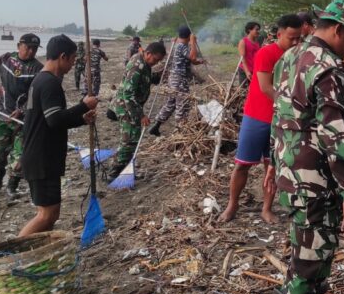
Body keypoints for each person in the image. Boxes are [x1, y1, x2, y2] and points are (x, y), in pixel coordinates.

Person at [263, 0, 344, 294]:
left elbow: (280, 117)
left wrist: (275, 165)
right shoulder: (328, 68)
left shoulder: (291, 56)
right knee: (308, 258)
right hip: (314, 180)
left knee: (307, 251)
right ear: (338, 30)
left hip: (293, 172)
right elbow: (335, 136)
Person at [219, 14, 302, 224]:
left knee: (271, 166)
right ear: (279, 34)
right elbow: (266, 87)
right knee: (242, 164)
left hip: (280, 120)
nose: (295, 42)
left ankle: (267, 208)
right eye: (291, 38)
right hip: (257, 116)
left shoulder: (299, 56)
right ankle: (232, 204)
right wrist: (291, 107)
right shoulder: (267, 53)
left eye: (298, 38)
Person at [17, 35, 98, 237]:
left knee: (49, 214)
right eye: (72, 59)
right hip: (41, 158)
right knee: (46, 215)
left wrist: (82, 118)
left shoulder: (41, 80)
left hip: (41, 156)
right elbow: (54, 120)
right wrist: (83, 105)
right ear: (63, 57)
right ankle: (13, 253)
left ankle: (36, 251)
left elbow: (51, 119)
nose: (72, 65)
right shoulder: (49, 83)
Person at [0, 33, 43, 195]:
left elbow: (37, 94)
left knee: (20, 157)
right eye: (28, 48)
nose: (31, 51)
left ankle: (12, 185)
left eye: (34, 49)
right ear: (19, 46)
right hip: (1, 115)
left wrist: (23, 110)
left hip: (23, 120)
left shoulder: (38, 69)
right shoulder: (5, 60)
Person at [108, 41, 167, 181]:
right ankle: (114, 173)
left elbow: (143, 80)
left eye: (159, 61)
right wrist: (141, 115)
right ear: (147, 53)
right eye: (155, 59)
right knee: (129, 140)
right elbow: (128, 94)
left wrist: (155, 79)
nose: (156, 62)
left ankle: (126, 169)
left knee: (133, 139)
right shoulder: (137, 65)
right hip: (126, 107)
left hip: (133, 106)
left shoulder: (145, 63)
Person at [149, 25, 204, 133]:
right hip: (179, 80)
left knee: (171, 103)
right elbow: (192, 57)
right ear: (188, 36)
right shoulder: (182, 46)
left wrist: (200, 61)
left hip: (173, 78)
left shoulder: (178, 45)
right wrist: (193, 42)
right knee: (182, 105)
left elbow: (192, 60)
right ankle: (180, 130)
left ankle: (156, 126)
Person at [236, 21, 262, 87]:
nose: (258, 31)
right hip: (244, 70)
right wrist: (247, 71)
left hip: (254, 70)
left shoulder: (257, 42)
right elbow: (243, 59)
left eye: (259, 29)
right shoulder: (243, 42)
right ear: (249, 30)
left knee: (253, 89)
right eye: (256, 29)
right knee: (243, 90)